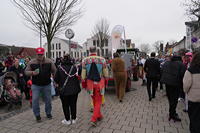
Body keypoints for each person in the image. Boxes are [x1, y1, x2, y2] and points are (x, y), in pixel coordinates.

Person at [25, 47, 57, 122]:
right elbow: (26, 72)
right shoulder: (32, 62)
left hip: (47, 84)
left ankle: (48, 113)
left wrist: (55, 80)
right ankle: (37, 115)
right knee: (35, 100)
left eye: (41, 54)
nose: (40, 56)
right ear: (37, 54)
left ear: (43, 54)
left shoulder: (49, 61)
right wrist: (32, 73)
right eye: (39, 54)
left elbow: (55, 71)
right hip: (36, 85)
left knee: (48, 100)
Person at [81, 46, 108, 126]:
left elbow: (83, 75)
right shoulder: (102, 59)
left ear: (89, 51)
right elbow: (105, 73)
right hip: (99, 83)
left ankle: (99, 116)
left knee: (94, 100)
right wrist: (106, 79)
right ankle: (94, 119)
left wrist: (83, 82)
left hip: (90, 83)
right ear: (96, 51)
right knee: (99, 101)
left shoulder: (84, 60)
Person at [54, 54, 81, 125]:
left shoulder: (60, 68)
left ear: (63, 59)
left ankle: (67, 120)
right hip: (74, 90)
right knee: (73, 104)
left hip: (64, 90)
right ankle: (74, 118)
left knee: (65, 105)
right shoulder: (74, 67)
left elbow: (56, 79)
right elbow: (79, 76)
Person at [161, 55, 186, 122]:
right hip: (176, 85)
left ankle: (172, 112)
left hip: (167, 84)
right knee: (174, 100)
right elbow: (183, 75)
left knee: (170, 99)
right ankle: (172, 115)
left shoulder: (166, 63)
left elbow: (162, 71)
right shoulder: (181, 65)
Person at [183, 51, 200, 133]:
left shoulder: (190, 70)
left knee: (194, 119)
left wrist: (186, 92)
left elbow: (186, 85)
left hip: (194, 99)